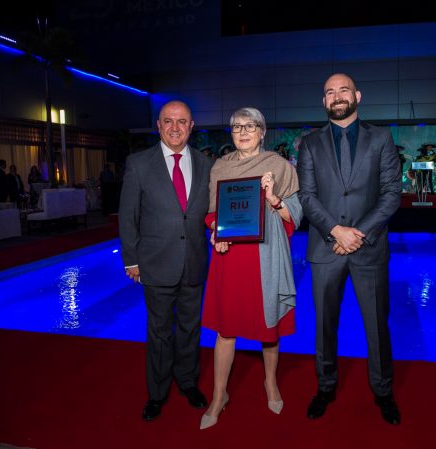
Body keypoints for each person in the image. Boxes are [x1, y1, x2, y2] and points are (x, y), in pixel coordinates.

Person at [297, 73, 402, 425]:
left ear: (357, 94)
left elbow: (391, 194)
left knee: (376, 325)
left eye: (343, 90)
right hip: (326, 249)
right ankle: (325, 387)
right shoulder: (309, 143)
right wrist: (336, 231)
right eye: (329, 92)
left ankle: (383, 391)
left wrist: (357, 233)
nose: (337, 96)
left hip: (368, 248)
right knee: (324, 326)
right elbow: (307, 197)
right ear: (323, 101)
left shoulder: (381, 138)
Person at [200, 107, 302, 430]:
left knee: (267, 328)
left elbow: (295, 215)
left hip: (266, 256)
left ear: (262, 131)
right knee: (225, 329)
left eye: (250, 126)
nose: (243, 132)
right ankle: (219, 396)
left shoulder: (279, 167)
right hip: (229, 257)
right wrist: (215, 230)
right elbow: (212, 213)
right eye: (237, 127)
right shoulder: (220, 168)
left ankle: (270, 383)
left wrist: (274, 199)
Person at [118, 100, 214, 421]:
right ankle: (157, 393)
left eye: (182, 121)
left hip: (194, 261)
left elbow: (212, 213)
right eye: (168, 121)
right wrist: (131, 259)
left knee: (190, 328)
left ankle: (187, 382)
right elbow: (128, 217)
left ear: (191, 126)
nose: (175, 127)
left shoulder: (205, 164)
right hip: (156, 262)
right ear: (158, 125)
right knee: (160, 331)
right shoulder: (139, 163)